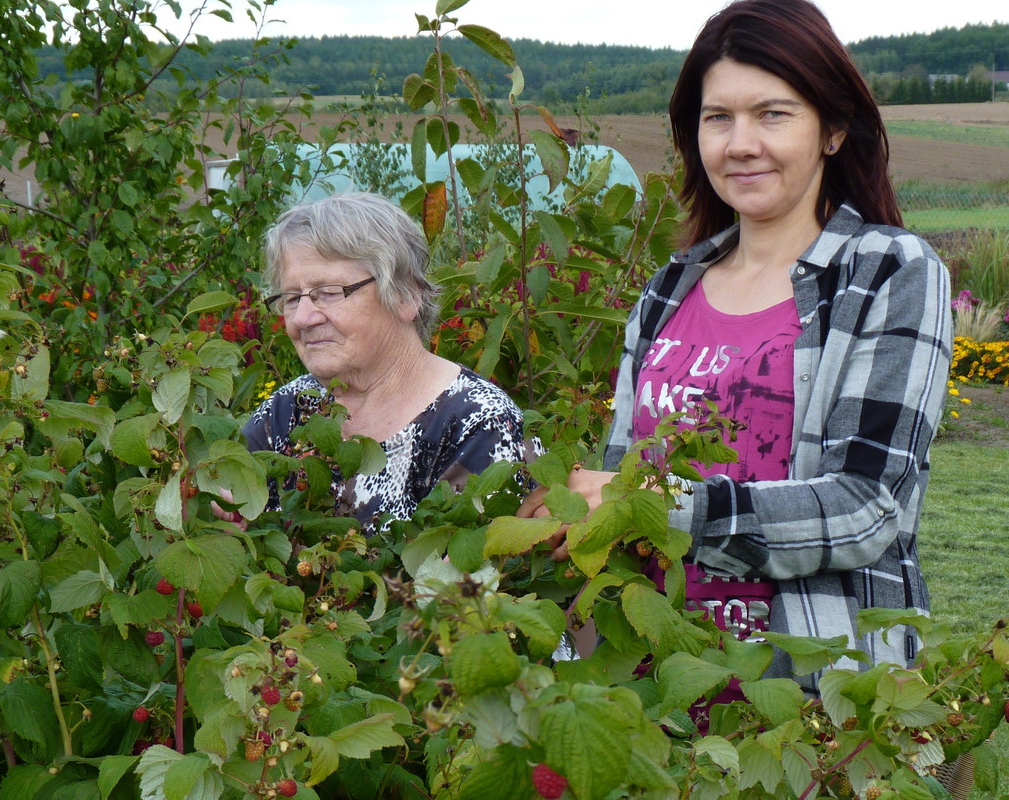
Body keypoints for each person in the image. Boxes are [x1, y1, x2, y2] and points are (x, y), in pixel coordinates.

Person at [519, 0, 952, 692]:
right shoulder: (669, 290)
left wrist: (666, 505)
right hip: (653, 690)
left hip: (805, 699)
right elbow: (620, 479)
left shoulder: (887, 272)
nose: (740, 144)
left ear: (833, 129)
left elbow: (866, 507)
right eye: (717, 117)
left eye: (772, 114)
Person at [234, 191, 533, 530]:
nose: (303, 318)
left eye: (329, 293)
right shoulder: (286, 412)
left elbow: (476, 562)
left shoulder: (481, 425)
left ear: (406, 296)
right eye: (291, 298)